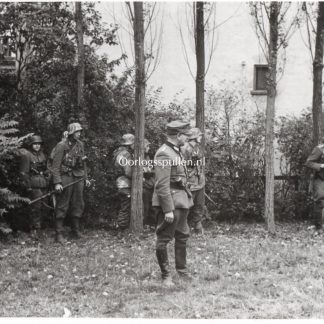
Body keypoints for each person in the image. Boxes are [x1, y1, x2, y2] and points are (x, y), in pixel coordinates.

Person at [152, 120, 193, 287]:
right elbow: (162, 185)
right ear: (178, 135)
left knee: (182, 236)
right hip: (170, 202)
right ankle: (166, 276)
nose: (188, 139)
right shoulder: (164, 153)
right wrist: (167, 209)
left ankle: (182, 272)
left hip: (181, 201)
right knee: (164, 239)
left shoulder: (175, 151)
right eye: (186, 136)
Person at [51, 122, 90, 243]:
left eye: (80, 132)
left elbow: (83, 163)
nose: (79, 134)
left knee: (78, 203)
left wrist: (86, 178)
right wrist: (57, 182)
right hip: (65, 176)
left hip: (78, 176)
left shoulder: (80, 145)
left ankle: (75, 230)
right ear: (71, 133)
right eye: (76, 132)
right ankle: (59, 234)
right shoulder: (61, 145)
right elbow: (55, 166)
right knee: (62, 204)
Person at [19, 135, 49, 239]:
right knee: (35, 209)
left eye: (39, 144)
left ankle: (41, 229)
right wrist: (28, 187)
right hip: (33, 185)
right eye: (35, 144)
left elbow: (45, 169)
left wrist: (48, 174)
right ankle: (33, 230)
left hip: (43, 184)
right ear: (31, 145)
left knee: (44, 207)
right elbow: (24, 173)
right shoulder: (26, 155)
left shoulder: (42, 155)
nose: (37, 146)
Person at [181, 127, 205, 235]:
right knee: (187, 205)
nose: (201, 137)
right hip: (190, 181)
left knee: (199, 204)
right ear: (195, 137)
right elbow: (180, 165)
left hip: (198, 181)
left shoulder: (197, 147)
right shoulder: (184, 148)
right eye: (199, 135)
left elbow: (200, 163)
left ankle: (198, 227)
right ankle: (182, 228)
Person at [113, 134, 134, 230]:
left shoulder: (118, 152)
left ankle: (118, 225)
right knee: (125, 206)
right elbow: (128, 172)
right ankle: (122, 228)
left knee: (121, 205)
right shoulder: (126, 154)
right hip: (125, 183)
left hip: (120, 182)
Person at [306, 141, 324, 231]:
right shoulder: (319, 149)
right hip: (320, 179)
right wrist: (321, 165)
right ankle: (318, 227)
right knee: (320, 201)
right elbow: (309, 162)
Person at [143, 138, 156, 227]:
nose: (148, 148)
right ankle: (143, 224)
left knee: (152, 206)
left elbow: (149, 170)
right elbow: (145, 172)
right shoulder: (139, 158)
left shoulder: (146, 157)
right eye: (147, 146)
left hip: (151, 185)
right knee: (145, 207)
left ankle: (151, 224)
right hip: (145, 186)